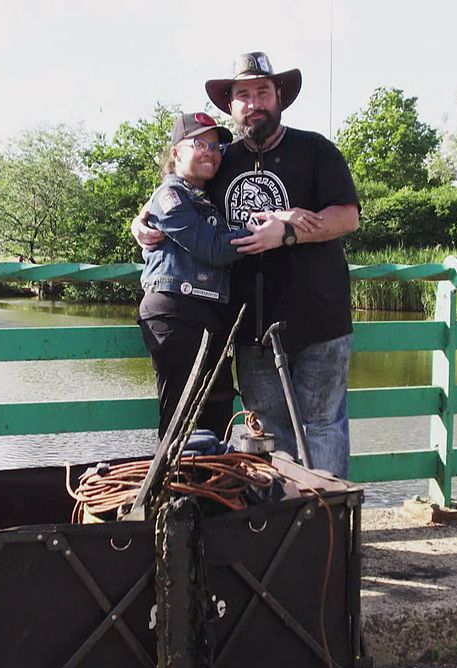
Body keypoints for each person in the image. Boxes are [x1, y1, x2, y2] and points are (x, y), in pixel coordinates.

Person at [133, 53, 360, 477]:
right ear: (231, 106)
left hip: (321, 317)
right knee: (270, 431)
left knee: (323, 426)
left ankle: (326, 530)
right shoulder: (219, 160)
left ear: (279, 98)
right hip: (248, 324)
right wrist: (139, 222)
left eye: (262, 92)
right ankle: (285, 529)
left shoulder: (316, 150)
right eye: (243, 95)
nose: (253, 102)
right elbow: (175, 196)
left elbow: (347, 217)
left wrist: (288, 231)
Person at [137, 112, 254, 441]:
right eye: (199, 144)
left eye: (216, 147)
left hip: (210, 314)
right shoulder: (170, 197)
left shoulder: (205, 196)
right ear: (176, 152)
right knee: (183, 417)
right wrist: (260, 231)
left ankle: (208, 491)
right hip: (175, 312)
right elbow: (213, 249)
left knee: (216, 413)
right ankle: (174, 492)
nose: (210, 152)